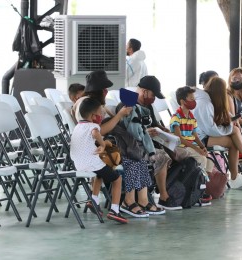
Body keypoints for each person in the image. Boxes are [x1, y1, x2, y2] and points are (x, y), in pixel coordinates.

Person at [74, 70, 164, 218]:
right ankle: (127, 202)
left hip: (96, 148)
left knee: (139, 156)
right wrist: (119, 115)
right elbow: (99, 131)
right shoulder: (86, 105)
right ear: (98, 90)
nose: (106, 91)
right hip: (94, 150)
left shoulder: (92, 103)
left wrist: (115, 115)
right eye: (104, 88)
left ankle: (140, 200)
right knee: (134, 158)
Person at [117, 75, 185, 210]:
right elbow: (127, 132)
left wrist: (163, 130)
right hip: (135, 147)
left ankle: (176, 191)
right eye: (153, 95)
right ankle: (164, 196)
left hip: (152, 142)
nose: (153, 99)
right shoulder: (126, 106)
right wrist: (146, 132)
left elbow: (154, 124)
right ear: (144, 91)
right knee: (162, 157)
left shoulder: (148, 106)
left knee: (181, 153)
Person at [193, 75, 242, 188]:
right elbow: (210, 129)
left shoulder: (207, 99)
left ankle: (239, 172)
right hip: (198, 139)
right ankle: (240, 170)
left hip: (203, 135)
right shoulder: (204, 103)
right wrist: (228, 127)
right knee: (234, 133)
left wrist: (232, 119)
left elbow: (218, 113)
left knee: (235, 136)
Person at [70, 97, 127, 224]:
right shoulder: (93, 125)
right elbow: (96, 133)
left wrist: (102, 142)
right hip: (91, 163)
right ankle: (114, 210)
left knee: (99, 174)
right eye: (100, 114)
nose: (102, 116)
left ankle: (93, 200)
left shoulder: (78, 126)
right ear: (92, 116)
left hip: (79, 164)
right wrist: (102, 144)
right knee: (117, 179)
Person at [169, 86, 214, 204]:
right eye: (191, 98)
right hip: (181, 148)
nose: (194, 101)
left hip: (190, 147)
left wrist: (202, 147)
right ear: (183, 101)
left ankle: (199, 187)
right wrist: (197, 149)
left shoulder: (191, 116)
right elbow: (179, 138)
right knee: (201, 159)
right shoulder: (176, 117)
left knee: (209, 162)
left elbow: (195, 134)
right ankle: (199, 192)